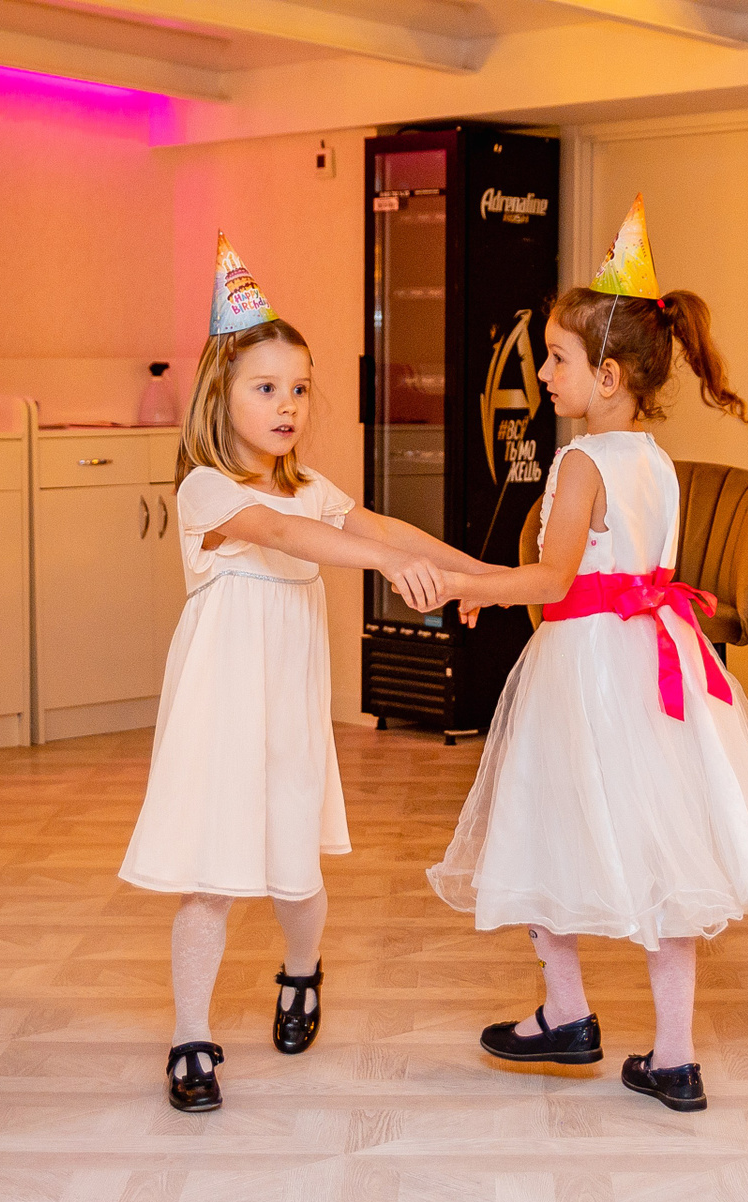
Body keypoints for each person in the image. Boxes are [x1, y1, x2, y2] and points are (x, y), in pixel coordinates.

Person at [425, 196, 748, 1112]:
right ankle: (674, 1057)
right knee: (665, 846)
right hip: (656, 655)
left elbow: (554, 578)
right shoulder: (655, 461)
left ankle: (567, 1014)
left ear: (606, 376)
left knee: (540, 818)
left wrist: (472, 585)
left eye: (556, 358)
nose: (543, 371)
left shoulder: (582, 463)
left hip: (586, 667)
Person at [123, 233, 497, 1112]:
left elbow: (382, 527)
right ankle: (190, 1035)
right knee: (212, 875)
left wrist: (474, 574)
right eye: (266, 388)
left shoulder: (313, 487)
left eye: (298, 388)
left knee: (297, 868)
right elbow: (287, 535)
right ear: (221, 395)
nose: (287, 404)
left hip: (289, 709)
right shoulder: (209, 488)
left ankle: (302, 969)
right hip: (220, 708)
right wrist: (384, 565)